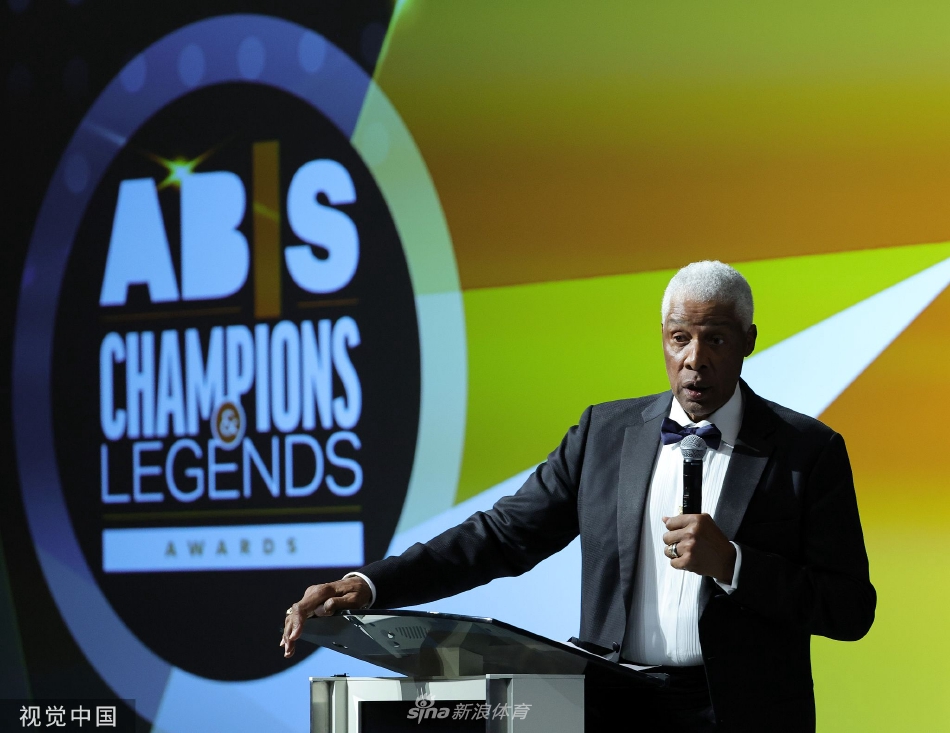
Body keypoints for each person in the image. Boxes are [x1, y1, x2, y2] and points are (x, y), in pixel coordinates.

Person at [280, 261, 875, 731]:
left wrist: (734, 565)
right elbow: (501, 536)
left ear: (748, 340)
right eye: (679, 338)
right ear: (663, 340)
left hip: (742, 712)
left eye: (715, 339)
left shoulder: (807, 451)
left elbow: (850, 609)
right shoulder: (604, 434)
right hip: (611, 704)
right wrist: (371, 585)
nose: (694, 360)